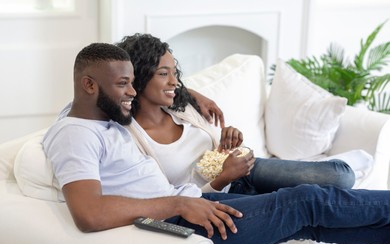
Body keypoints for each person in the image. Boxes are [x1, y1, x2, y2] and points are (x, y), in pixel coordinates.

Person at [43, 42, 390, 244]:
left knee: (311, 219)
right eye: (124, 84)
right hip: (181, 222)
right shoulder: (75, 134)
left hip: (193, 204)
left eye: (134, 82)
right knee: (305, 201)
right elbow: (88, 214)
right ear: (89, 85)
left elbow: (96, 93)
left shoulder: (97, 118)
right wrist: (180, 202)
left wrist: (187, 93)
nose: (132, 92)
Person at [115, 33, 356, 194]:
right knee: (314, 198)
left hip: (245, 170)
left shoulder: (182, 106)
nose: (174, 81)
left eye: (175, 72)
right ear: (139, 75)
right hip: (222, 192)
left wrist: (226, 143)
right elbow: (176, 200)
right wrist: (224, 177)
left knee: (341, 176)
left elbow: (217, 153)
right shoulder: (130, 140)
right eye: (163, 73)